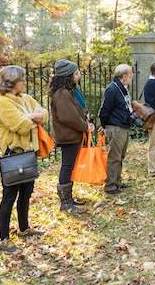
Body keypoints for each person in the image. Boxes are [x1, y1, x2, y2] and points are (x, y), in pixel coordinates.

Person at [0, 65, 49, 252]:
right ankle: (4, 238)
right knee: (9, 197)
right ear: (11, 83)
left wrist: (30, 116)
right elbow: (21, 125)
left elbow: (45, 115)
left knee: (26, 192)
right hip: (10, 156)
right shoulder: (2, 102)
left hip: (27, 154)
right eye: (22, 80)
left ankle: (23, 229)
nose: (25, 82)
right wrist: (32, 118)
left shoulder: (24, 98)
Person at [48, 59, 95, 212]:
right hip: (68, 136)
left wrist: (87, 124)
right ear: (67, 76)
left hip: (72, 135)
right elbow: (68, 116)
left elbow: (77, 112)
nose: (79, 76)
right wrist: (84, 126)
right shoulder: (61, 94)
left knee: (70, 166)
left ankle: (69, 199)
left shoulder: (68, 91)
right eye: (76, 73)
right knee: (67, 167)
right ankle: (65, 202)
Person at [98, 64, 134, 195]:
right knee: (114, 157)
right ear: (124, 76)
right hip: (116, 126)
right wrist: (104, 125)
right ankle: (110, 186)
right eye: (131, 74)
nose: (132, 76)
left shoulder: (122, 88)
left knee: (121, 156)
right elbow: (104, 110)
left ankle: (118, 181)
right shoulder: (112, 89)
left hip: (123, 125)